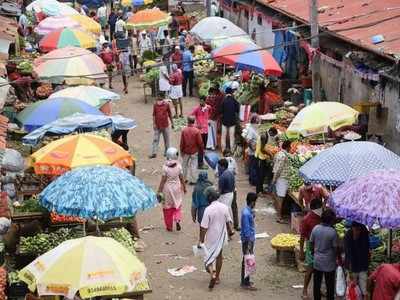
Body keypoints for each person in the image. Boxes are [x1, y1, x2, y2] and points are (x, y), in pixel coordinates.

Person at [200, 187, 234, 289]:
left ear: (208, 198)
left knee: (207, 258)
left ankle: (212, 273)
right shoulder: (224, 207)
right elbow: (229, 222)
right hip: (222, 236)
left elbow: (203, 227)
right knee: (219, 256)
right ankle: (217, 277)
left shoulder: (208, 210)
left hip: (211, 236)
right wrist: (230, 231)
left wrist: (201, 240)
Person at [310, 208, 339, 300]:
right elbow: (335, 248)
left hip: (317, 260)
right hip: (329, 262)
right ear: (331, 220)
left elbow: (311, 243)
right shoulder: (332, 232)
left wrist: (314, 252)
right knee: (330, 285)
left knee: (316, 284)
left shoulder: (315, 228)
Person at [157, 147, 186, 231]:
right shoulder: (179, 166)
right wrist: (184, 187)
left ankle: (169, 226)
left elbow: (163, 181)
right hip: (177, 187)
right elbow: (181, 178)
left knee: (167, 208)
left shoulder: (165, 168)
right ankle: (177, 219)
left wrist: (159, 191)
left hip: (167, 189)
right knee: (177, 205)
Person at [299, 199, 323, 300]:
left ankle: (318, 289)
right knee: (310, 269)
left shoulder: (322, 217)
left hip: (322, 244)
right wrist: (301, 251)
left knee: (320, 269)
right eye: (319, 208)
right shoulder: (306, 219)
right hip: (311, 245)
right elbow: (302, 237)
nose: (321, 209)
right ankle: (304, 289)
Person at [344, 222, 370, 300]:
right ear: (352, 228)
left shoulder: (364, 234)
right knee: (352, 288)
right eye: (355, 229)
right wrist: (350, 270)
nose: (357, 231)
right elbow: (348, 252)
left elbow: (366, 251)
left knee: (363, 289)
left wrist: (356, 239)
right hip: (352, 266)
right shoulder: (348, 235)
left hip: (362, 266)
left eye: (359, 229)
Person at [216, 150, 239, 231]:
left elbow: (220, 191)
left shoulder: (222, 177)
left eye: (219, 166)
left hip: (225, 196)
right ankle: (231, 228)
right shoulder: (230, 173)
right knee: (230, 210)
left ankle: (228, 230)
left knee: (224, 213)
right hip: (231, 193)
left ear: (222, 166)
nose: (218, 167)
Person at [240, 192, 257, 290]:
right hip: (248, 240)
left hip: (248, 239)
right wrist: (249, 244)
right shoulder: (246, 213)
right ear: (252, 202)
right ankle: (245, 282)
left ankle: (246, 280)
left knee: (247, 259)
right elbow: (246, 230)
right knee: (247, 260)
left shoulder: (247, 211)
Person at [180, 116, 203, 184]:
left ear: (188, 121)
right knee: (193, 165)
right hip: (194, 151)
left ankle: (184, 179)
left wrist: (181, 150)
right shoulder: (197, 131)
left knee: (184, 165)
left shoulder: (184, 130)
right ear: (194, 121)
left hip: (186, 151)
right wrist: (201, 150)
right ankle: (193, 180)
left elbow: (182, 142)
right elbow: (200, 142)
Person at [272, 140, 291, 223]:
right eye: (290, 147)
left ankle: (278, 214)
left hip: (281, 178)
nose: (290, 148)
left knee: (278, 197)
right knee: (280, 199)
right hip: (282, 179)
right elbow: (278, 169)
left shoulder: (279, 154)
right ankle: (279, 217)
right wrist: (274, 179)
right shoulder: (283, 156)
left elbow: (274, 164)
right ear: (287, 147)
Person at [150, 92, 174, 158]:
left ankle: (167, 152)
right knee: (155, 139)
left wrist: (172, 123)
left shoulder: (166, 104)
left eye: (159, 96)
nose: (158, 98)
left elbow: (170, 114)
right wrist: (154, 124)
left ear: (161, 97)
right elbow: (154, 115)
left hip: (165, 125)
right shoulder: (155, 105)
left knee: (166, 140)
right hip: (158, 125)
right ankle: (154, 153)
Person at [192, 171, 212, 245]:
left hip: (201, 210)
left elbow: (194, 204)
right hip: (211, 209)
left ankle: (201, 241)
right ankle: (210, 242)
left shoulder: (197, 188)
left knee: (202, 227)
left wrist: (193, 215)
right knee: (210, 227)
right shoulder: (211, 186)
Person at [255, 127, 278, 194]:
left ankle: (261, 190)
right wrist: (270, 155)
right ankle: (258, 191)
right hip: (260, 157)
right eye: (273, 135)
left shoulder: (267, 135)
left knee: (263, 175)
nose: (273, 136)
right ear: (270, 132)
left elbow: (266, 146)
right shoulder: (264, 136)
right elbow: (262, 149)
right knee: (260, 175)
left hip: (264, 158)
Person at [191, 98, 211, 169]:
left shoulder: (208, 108)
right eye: (200, 101)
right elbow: (190, 116)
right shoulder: (197, 109)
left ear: (205, 101)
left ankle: (201, 161)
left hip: (206, 131)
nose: (201, 102)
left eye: (202, 101)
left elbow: (211, 113)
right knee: (200, 148)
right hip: (199, 132)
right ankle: (200, 164)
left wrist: (208, 120)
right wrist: (196, 125)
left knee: (203, 148)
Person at [219, 87, 240, 152]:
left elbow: (220, 111)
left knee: (223, 136)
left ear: (226, 93)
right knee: (232, 137)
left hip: (224, 121)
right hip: (232, 122)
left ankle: (223, 149)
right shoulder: (234, 100)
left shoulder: (223, 101)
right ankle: (232, 150)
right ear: (231, 93)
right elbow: (237, 110)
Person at [243, 114, 259, 186]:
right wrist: (252, 148)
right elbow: (248, 140)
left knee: (253, 166)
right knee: (253, 166)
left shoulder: (255, 128)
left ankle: (252, 179)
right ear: (254, 121)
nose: (259, 122)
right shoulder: (251, 129)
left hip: (255, 150)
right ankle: (253, 181)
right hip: (253, 151)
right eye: (257, 120)